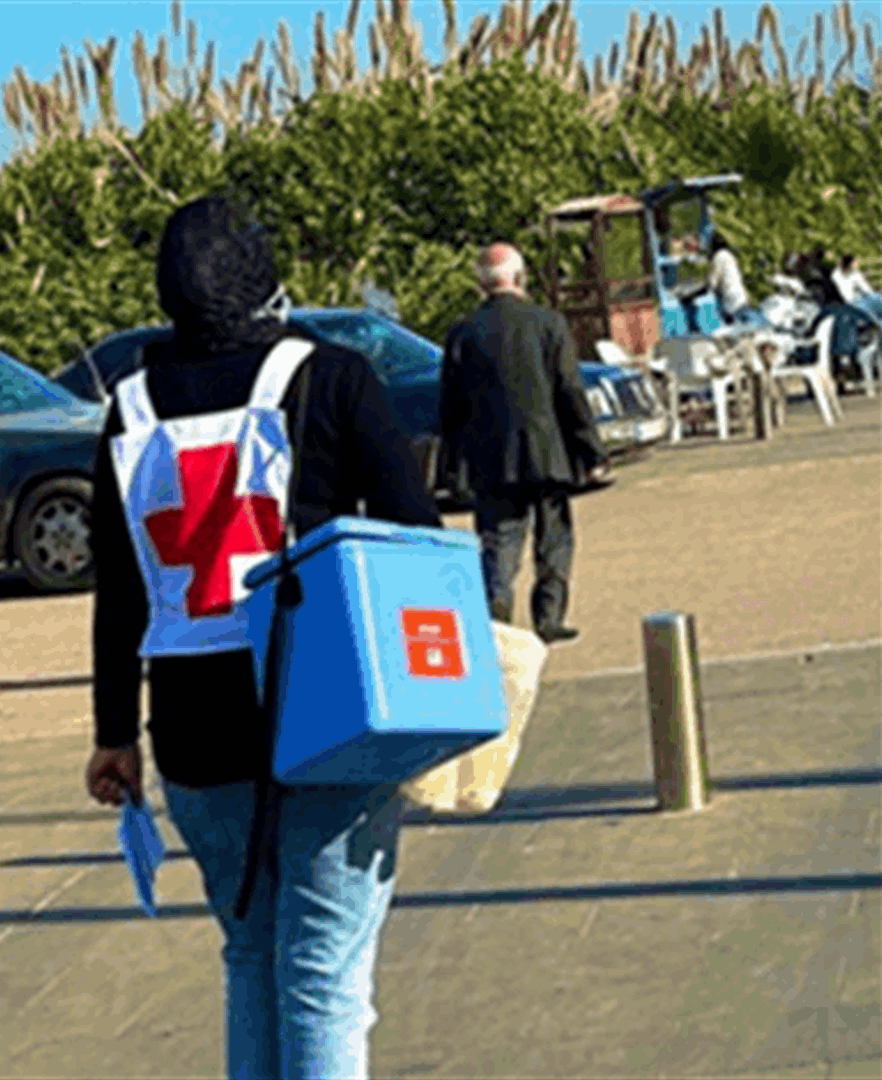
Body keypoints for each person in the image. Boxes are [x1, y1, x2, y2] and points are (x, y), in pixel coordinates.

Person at [84, 196, 442, 1080]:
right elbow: (417, 534)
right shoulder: (333, 376)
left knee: (250, 956)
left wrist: (114, 732)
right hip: (324, 708)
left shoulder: (128, 407)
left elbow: (119, 586)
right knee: (323, 973)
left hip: (192, 724)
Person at [440, 243, 609, 646]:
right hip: (547, 449)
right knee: (554, 537)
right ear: (519, 277)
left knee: (499, 539)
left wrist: (452, 466)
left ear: (481, 284)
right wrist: (592, 451)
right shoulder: (547, 323)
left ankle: (497, 612)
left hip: (490, 457)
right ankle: (549, 617)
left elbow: (450, 407)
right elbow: (569, 391)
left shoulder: (463, 333)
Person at [707, 233, 762, 327]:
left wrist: (706, 290)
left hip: (731, 298)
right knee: (745, 326)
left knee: (736, 327)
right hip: (742, 295)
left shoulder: (718, 257)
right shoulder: (730, 256)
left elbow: (713, 281)